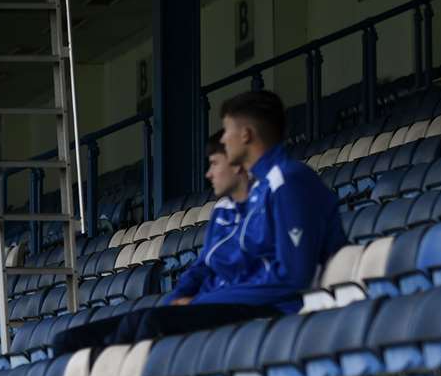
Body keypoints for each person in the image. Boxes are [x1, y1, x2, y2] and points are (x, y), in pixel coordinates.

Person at [57, 88, 345, 352]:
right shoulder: (260, 189)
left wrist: (200, 302)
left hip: (275, 311)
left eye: (227, 131)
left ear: (246, 135)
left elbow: (291, 278)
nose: (222, 139)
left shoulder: (288, 182)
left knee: (151, 326)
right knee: (71, 340)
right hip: (243, 304)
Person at [165, 132, 251, 305]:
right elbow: (202, 265)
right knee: (135, 322)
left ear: (235, 164)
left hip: (231, 306)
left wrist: (198, 302)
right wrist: (174, 299)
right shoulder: (221, 209)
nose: (208, 174)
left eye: (214, 164)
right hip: (210, 300)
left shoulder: (267, 205)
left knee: (148, 324)